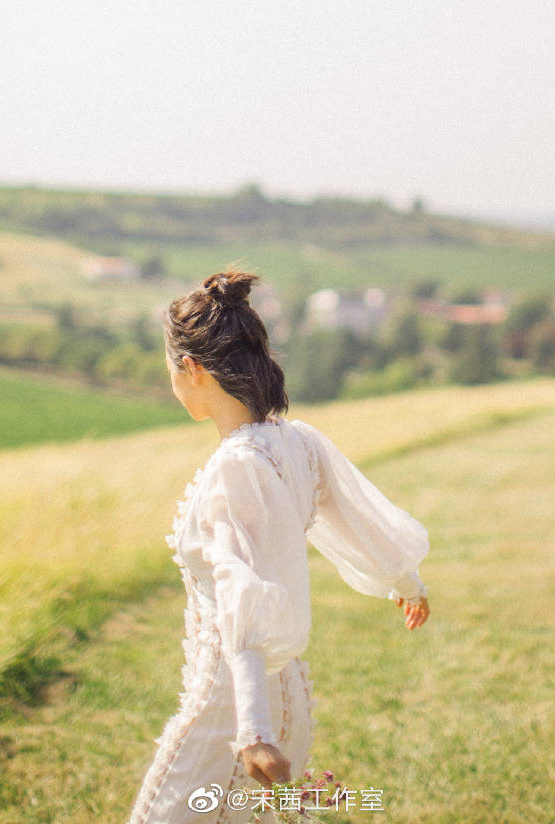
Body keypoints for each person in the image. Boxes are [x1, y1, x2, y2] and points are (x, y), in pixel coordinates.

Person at [127, 268, 430, 824]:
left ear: (192, 369)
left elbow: (241, 596)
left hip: (236, 709)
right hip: (285, 692)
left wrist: (252, 732)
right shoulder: (296, 442)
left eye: (169, 370)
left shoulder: (236, 467)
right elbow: (357, 516)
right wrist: (407, 581)